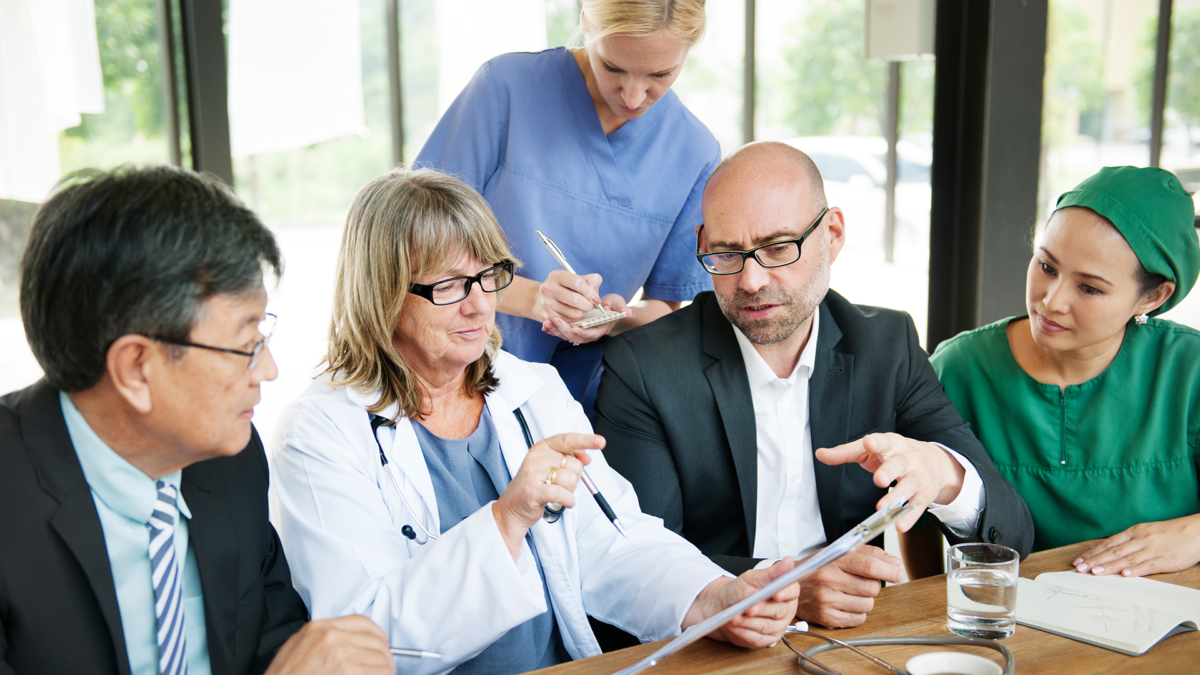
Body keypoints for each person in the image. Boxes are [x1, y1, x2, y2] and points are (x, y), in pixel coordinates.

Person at [269, 168, 800, 675]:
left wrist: (714, 598)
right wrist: (506, 520)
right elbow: (364, 641)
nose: (480, 307)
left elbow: (615, 540)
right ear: (383, 293)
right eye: (451, 285)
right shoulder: (319, 433)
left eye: (489, 277)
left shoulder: (534, 391)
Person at [594, 141, 1034, 629]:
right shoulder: (645, 365)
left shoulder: (887, 347)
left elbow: (1012, 538)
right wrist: (789, 587)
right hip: (709, 644)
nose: (753, 280)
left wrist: (948, 474)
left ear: (833, 234)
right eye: (727, 253)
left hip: (854, 639)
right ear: (703, 246)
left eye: (779, 248)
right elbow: (635, 558)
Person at [0, 166, 394, 675]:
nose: (269, 371)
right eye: (246, 343)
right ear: (137, 369)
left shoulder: (229, 460)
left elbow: (275, 642)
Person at [415, 0, 718, 415]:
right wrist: (533, 298)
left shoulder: (694, 151)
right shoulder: (505, 88)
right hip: (454, 370)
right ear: (585, 24)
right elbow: (417, 242)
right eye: (613, 67)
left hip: (581, 397)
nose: (632, 96)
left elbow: (665, 307)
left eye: (660, 75)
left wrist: (617, 316)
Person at [931, 166, 1200, 576]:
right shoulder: (960, 368)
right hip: (1007, 624)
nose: (1051, 301)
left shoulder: (1189, 370)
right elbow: (914, 515)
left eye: (1089, 288)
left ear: (1153, 296)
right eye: (1047, 267)